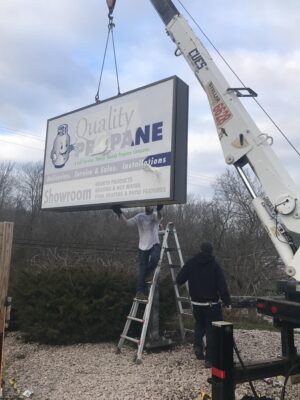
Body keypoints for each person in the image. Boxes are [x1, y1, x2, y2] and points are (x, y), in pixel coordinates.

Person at [176, 241, 231, 368]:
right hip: (211, 304)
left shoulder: (191, 263)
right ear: (211, 252)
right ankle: (209, 359)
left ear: (200, 250)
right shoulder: (214, 266)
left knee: (199, 324)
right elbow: (222, 287)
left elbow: (179, 280)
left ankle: (198, 347)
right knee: (211, 330)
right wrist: (227, 302)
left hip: (196, 303)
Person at [112, 205, 163, 300]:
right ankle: (140, 292)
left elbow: (159, 218)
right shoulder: (140, 216)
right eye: (148, 207)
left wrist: (159, 210)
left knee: (155, 258)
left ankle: (148, 274)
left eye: (151, 207)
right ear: (145, 207)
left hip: (154, 244)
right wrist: (119, 213)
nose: (149, 209)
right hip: (142, 246)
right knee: (142, 269)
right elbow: (127, 223)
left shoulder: (155, 216)